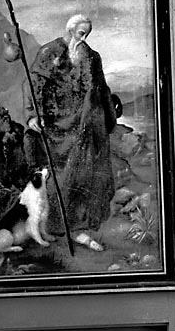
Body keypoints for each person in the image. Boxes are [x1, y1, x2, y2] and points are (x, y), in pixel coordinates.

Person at [23, 14, 119, 252]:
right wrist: (33, 114)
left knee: (86, 174)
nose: (84, 38)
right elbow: (34, 83)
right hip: (56, 123)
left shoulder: (92, 56)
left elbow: (101, 87)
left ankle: (80, 227)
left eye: (87, 34)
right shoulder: (49, 52)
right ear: (70, 30)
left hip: (86, 124)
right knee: (60, 175)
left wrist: (110, 116)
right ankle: (56, 225)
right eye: (80, 33)